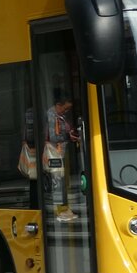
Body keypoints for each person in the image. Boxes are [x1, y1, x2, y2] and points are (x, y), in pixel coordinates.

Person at [44, 91, 79, 219]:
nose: (67, 111)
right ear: (58, 105)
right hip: (54, 153)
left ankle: (63, 208)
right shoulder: (52, 116)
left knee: (61, 182)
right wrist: (68, 137)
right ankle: (60, 210)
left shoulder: (60, 116)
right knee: (57, 182)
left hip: (59, 152)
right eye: (66, 108)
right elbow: (53, 137)